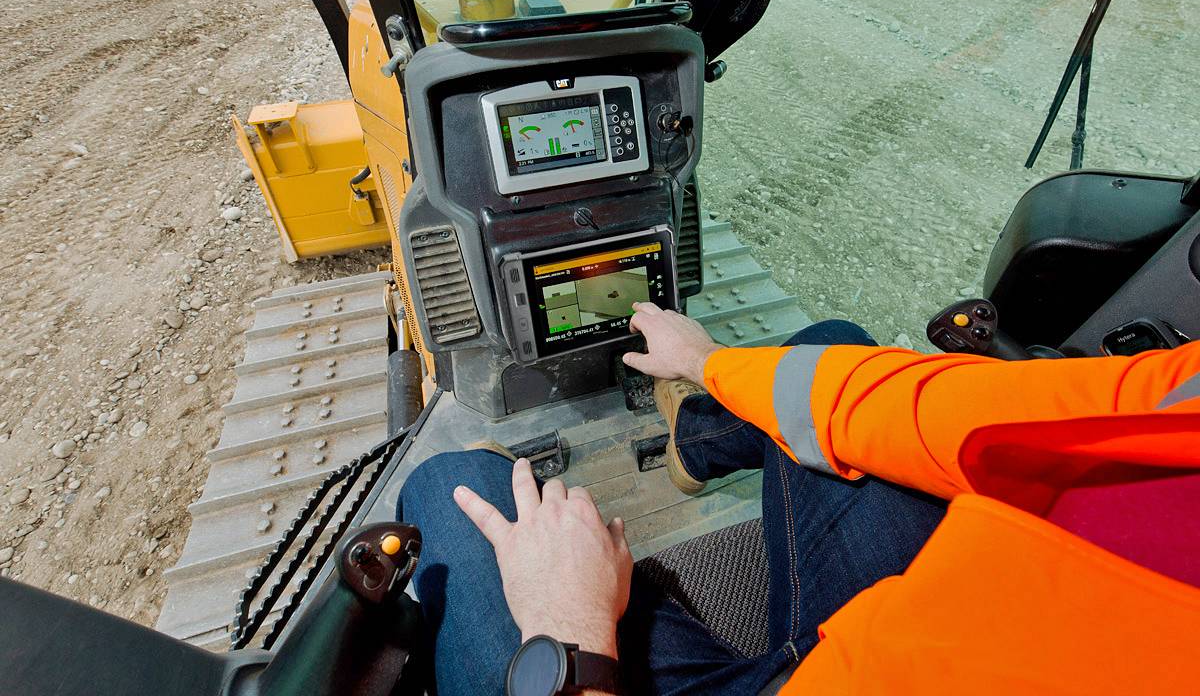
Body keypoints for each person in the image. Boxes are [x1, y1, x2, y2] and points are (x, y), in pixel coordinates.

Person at [399, 303, 1200, 695]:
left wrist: (571, 640)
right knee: (831, 349)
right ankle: (696, 440)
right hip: (928, 626)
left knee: (451, 485)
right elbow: (945, 411)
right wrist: (712, 363)